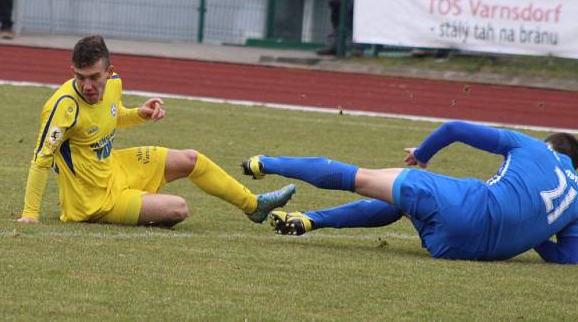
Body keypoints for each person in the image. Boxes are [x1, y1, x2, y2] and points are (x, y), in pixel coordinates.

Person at [17, 35, 296, 227]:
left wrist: (139, 113)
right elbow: (41, 159)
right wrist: (30, 214)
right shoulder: (63, 105)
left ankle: (253, 205)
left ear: (109, 72)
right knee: (179, 208)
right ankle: (137, 206)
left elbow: (110, 118)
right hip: (92, 201)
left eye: (94, 77)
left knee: (191, 159)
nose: (87, 85)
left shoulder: (114, 85)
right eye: (79, 77)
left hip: (115, 168)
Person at [242, 121, 578, 263]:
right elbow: (567, 259)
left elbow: (454, 129)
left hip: (464, 208)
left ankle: (265, 162)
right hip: (456, 249)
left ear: (550, 144)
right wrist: (533, 230)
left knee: (360, 177)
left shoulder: (532, 146)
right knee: (403, 203)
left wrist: (422, 154)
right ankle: (311, 221)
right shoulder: (575, 200)